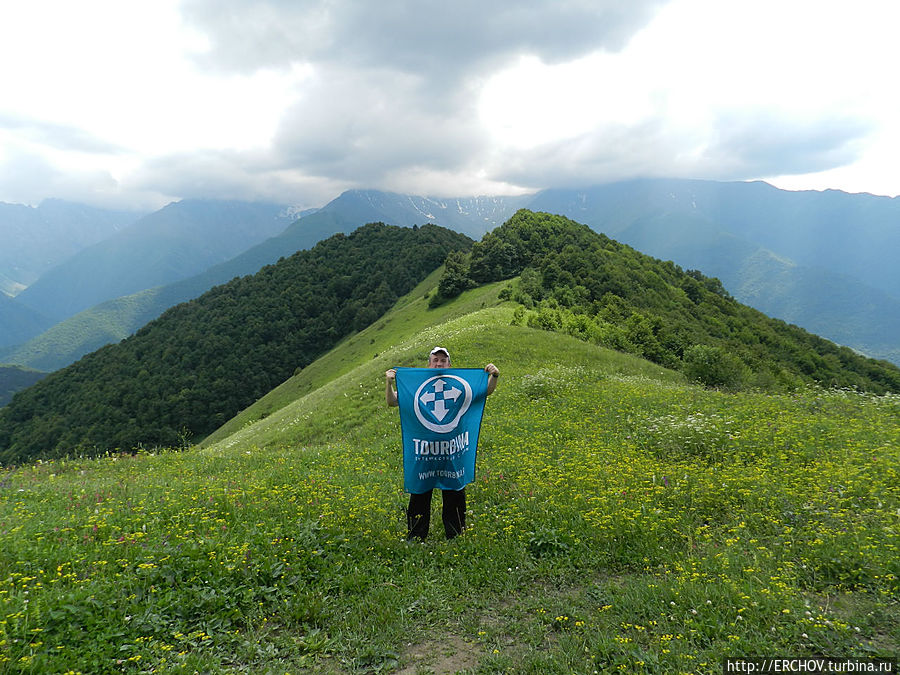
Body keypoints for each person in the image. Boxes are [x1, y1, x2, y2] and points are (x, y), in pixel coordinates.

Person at [385, 346, 499, 539]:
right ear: (429, 364)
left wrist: (494, 376)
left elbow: (485, 391)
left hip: (452, 450)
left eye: (443, 360)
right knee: (420, 492)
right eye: (435, 360)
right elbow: (392, 401)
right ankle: (416, 536)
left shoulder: (460, 385)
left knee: (454, 493)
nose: (439, 363)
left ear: (449, 364)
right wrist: (389, 383)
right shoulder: (416, 384)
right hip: (424, 451)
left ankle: (455, 534)